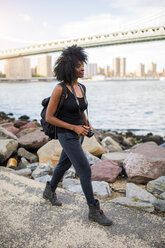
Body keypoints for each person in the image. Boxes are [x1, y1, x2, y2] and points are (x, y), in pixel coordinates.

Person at [43, 45, 113, 226]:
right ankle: (93, 210)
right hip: (67, 134)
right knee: (85, 169)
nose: (82, 69)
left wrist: (87, 123)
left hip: (79, 133)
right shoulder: (60, 89)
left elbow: (80, 109)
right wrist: (74, 128)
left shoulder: (82, 86)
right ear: (69, 68)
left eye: (83, 65)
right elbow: (50, 117)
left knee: (63, 164)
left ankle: (49, 190)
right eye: (78, 66)